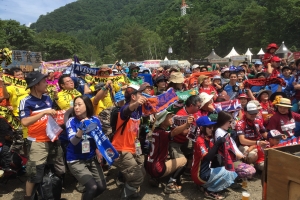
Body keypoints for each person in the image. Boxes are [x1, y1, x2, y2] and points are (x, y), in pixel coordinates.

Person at [19, 71, 65, 199]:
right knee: (34, 174)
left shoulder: (47, 98)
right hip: (37, 143)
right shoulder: (26, 101)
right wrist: (44, 113)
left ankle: (51, 193)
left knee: (57, 170)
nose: (47, 83)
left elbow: (50, 117)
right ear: (35, 85)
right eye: (44, 81)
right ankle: (28, 197)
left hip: (52, 140)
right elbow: (24, 122)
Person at [66, 96, 107, 199]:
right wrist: (81, 129)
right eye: (75, 105)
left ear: (87, 105)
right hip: (75, 160)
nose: (76, 107)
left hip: (91, 157)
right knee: (92, 187)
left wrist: (99, 150)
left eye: (79, 104)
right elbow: (74, 141)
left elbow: (98, 138)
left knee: (102, 187)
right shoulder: (71, 121)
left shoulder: (95, 120)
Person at [111, 84, 148, 199]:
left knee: (142, 173)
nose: (142, 95)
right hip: (122, 149)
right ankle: (125, 196)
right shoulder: (124, 109)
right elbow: (127, 110)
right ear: (133, 97)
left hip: (133, 147)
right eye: (140, 94)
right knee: (137, 177)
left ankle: (129, 190)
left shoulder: (138, 110)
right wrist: (136, 103)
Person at [192, 116, 237, 200]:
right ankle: (210, 190)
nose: (212, 129)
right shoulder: (199, 140)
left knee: (220, 161)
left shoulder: (207, 139)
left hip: (203, 172)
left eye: (212, 127)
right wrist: (217, 144)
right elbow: (207, 158)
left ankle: (205, 186)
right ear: (202, 128)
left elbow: (215, 153)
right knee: (230, 172)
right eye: (209, 127)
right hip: (199, 175)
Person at [145, 110, 191, 193]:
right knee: (184, 160)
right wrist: (187, 124)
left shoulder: (155, 131)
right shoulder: (163, 133)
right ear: (162, 121)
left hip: (149, 166)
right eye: (169, 117)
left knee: (165, 156)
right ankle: (170, 183)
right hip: (157, 169)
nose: (171, 118)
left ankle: (155, 178)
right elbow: (174, 132)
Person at [169, 95, 202, 175]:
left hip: (186, 140)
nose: (199, 108)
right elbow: (183, 132)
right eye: (198, 106)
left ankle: (187, 170)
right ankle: (173, 178)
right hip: (175, 142)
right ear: (191, 105)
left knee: (197, 150)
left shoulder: (195, 113)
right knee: (181, 162)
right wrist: (194, 129)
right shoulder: (180, 114)